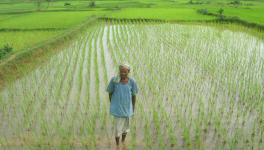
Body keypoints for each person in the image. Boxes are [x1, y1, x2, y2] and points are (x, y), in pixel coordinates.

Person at [106, 63, 138, 146]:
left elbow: (134, 95)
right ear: (119, 71)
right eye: (121, 71)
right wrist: (113, 103)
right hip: (118, 110)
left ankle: (123, 142)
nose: (123, 73)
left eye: (125, 72)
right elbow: (110, 92)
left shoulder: (132, 82)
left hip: (127, 109)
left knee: (126, 129)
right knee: (117, 129)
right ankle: (117, 145)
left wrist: (133, 108)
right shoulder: (114, 80)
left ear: (128, 72)